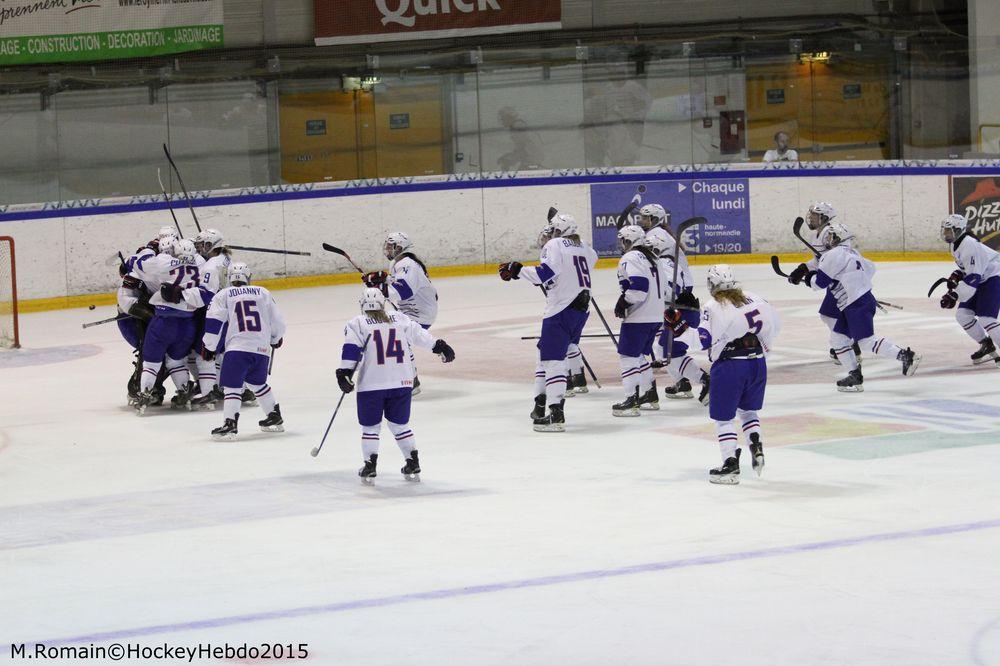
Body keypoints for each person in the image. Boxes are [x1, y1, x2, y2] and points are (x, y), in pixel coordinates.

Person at [665, 265, 779, 484]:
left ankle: (730, 465)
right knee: (748, 412)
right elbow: (776, 325)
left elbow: (703, 341)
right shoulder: (755, 298)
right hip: (757, 363)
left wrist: (679, 325)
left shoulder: (714, 305)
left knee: (723, 419)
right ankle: (757, 446)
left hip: (730, 367)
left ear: (711, 284)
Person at [337, 288, 455, 484]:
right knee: (400, 425)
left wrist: (344, 372)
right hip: (402, 382)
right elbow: (420, 335)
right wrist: (439, 347)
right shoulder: (399, 319)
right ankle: (412, 461)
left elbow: (351, 350)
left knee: (371, 426)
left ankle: (370, 465)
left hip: (372, 383)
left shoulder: (357, 323)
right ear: (383, 303)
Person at [498, 212, 597, 432]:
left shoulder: (554, 244)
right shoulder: (587, 249)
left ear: (559, 231)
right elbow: (569, 270)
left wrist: (517, 271)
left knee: (553, 362)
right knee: (544, 354)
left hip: (560, 310)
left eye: (553, 230)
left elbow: (545, 273)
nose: (550, 233)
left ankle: (556, 414)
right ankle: (540, 403)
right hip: (580, 310)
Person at [809, 223, 920, 391]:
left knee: (866, 341)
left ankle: (906, 356)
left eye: (832, 236)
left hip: (855, 304)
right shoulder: (855, 254)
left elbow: (819, 284)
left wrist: (806, 277)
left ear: (839, 238)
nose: (829, 239)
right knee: (838, 339)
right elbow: (869, 270)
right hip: (857, 301)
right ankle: (855, 375)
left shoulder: (833, 254)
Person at [201, 262, 285, 440]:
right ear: (248, 277)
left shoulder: (223, 294)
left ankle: (230, 424)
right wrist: (276, 338)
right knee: (257, 383)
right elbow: (277, 319)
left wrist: (209, 346)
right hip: (261, 349)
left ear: (229, 277)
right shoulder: (263, 292)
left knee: (232, 387)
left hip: (238, 349)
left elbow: (214, 323)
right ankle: (274, 416)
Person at [130, 238, 202, 414]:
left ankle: (145, 393)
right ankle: (184, 391)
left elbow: (138, 264)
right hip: (188, 323)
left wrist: (144, 252)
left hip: (164, 321)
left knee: (151, 362)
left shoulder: (164, 261)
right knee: (176, 361)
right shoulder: (198, 266)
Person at [362, 232, 438, 396]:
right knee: (394, 332)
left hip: (420, 312)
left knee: (399, 335)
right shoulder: (398, 263)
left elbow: (402, 291)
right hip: (409, 309)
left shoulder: (408, 263)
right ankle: (403, 375)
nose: (387, 249)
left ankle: (411, 380)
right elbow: (395, 283)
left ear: (400, 247)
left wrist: (376, 287)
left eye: (391, 246)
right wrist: (380, 279)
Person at [786, 202, 862, 365]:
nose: (811, 218)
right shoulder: (816, 235)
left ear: (824, 218)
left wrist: (816, 273)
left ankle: (848, 346)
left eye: (815, 215)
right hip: (834, 280)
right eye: (811, 215)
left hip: (842, 281)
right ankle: (847, 343)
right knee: (828, 315)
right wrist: (803, 269)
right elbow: (819, 259)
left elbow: (839, 255)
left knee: (829, 315)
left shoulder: (831, 233)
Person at [644, 231, 709, 405]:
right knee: (663, 350)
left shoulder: (662, 264)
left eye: (650, 247)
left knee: (668, 353)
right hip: (685, 311)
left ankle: (706, 381)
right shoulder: (673, 263)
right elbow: (687, 285)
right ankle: (682, 383)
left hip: (679, 314)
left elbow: (674, 289)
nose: (647, 251)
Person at [612, 225, 663, 416]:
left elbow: (640, 288)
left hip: (639, 317)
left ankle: (630, 400)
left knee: (628, 357)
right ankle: (649, 394)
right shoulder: (653, 258)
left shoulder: (631, 257)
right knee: (639, 355)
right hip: (656, 315)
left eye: (623, 240)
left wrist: (624, 302)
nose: (621, 244)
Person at [938, 213, 1000, 366]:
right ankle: (986, 344)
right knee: (963, 315)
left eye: (949, 230)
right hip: (982, 277)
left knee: (987, 318)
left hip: (994, 276)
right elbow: (969, 269)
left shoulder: (969, 245)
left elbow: (973, 279)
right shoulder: (956, 243)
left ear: (959, 230)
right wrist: (957, 274)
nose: (946, 234)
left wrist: (954, 295)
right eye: (945, 230)